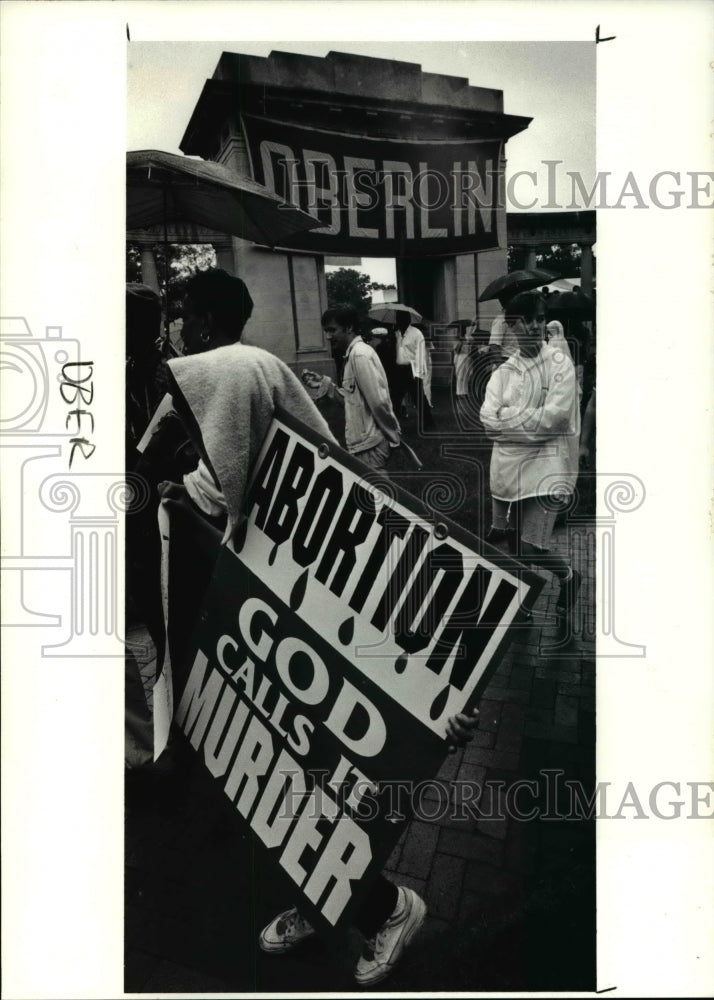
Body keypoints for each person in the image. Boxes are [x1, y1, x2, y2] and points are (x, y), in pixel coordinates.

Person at [480, 290, 582, 644]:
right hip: (510, 471)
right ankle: (522, 606)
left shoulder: (559, 364)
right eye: (528, 319)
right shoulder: (505, 371)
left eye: (540, 318)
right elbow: (486, 419)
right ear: (512, 325)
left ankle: (568, 576)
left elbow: (554, 420)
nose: (536, 325)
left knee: (531, 546)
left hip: (545, 469)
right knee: (515, 544)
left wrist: (508, 421)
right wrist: (522, 423)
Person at [302, 306, 402, 474]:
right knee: (369, 497)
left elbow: (379, 402)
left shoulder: (360, 355)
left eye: (332, 330)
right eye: (326, 331)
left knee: (376, 497)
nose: (328, 337)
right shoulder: (352, 354)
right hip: (362, 444)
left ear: (349, 328)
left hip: (371, 445)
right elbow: (351, 401)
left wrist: (394, 437)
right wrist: (324, 384)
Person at [394, 310, 434, 430]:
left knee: (419, 398)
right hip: (399, 370)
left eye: (401, 319)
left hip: (412, 369)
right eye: (398, 319)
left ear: (408, 320)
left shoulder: (417, 334)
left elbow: (421, 355)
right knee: (395, 398)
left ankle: (428, 423)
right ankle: (392, 424)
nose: (399, 322)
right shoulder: (397, 333)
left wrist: (418, 374)